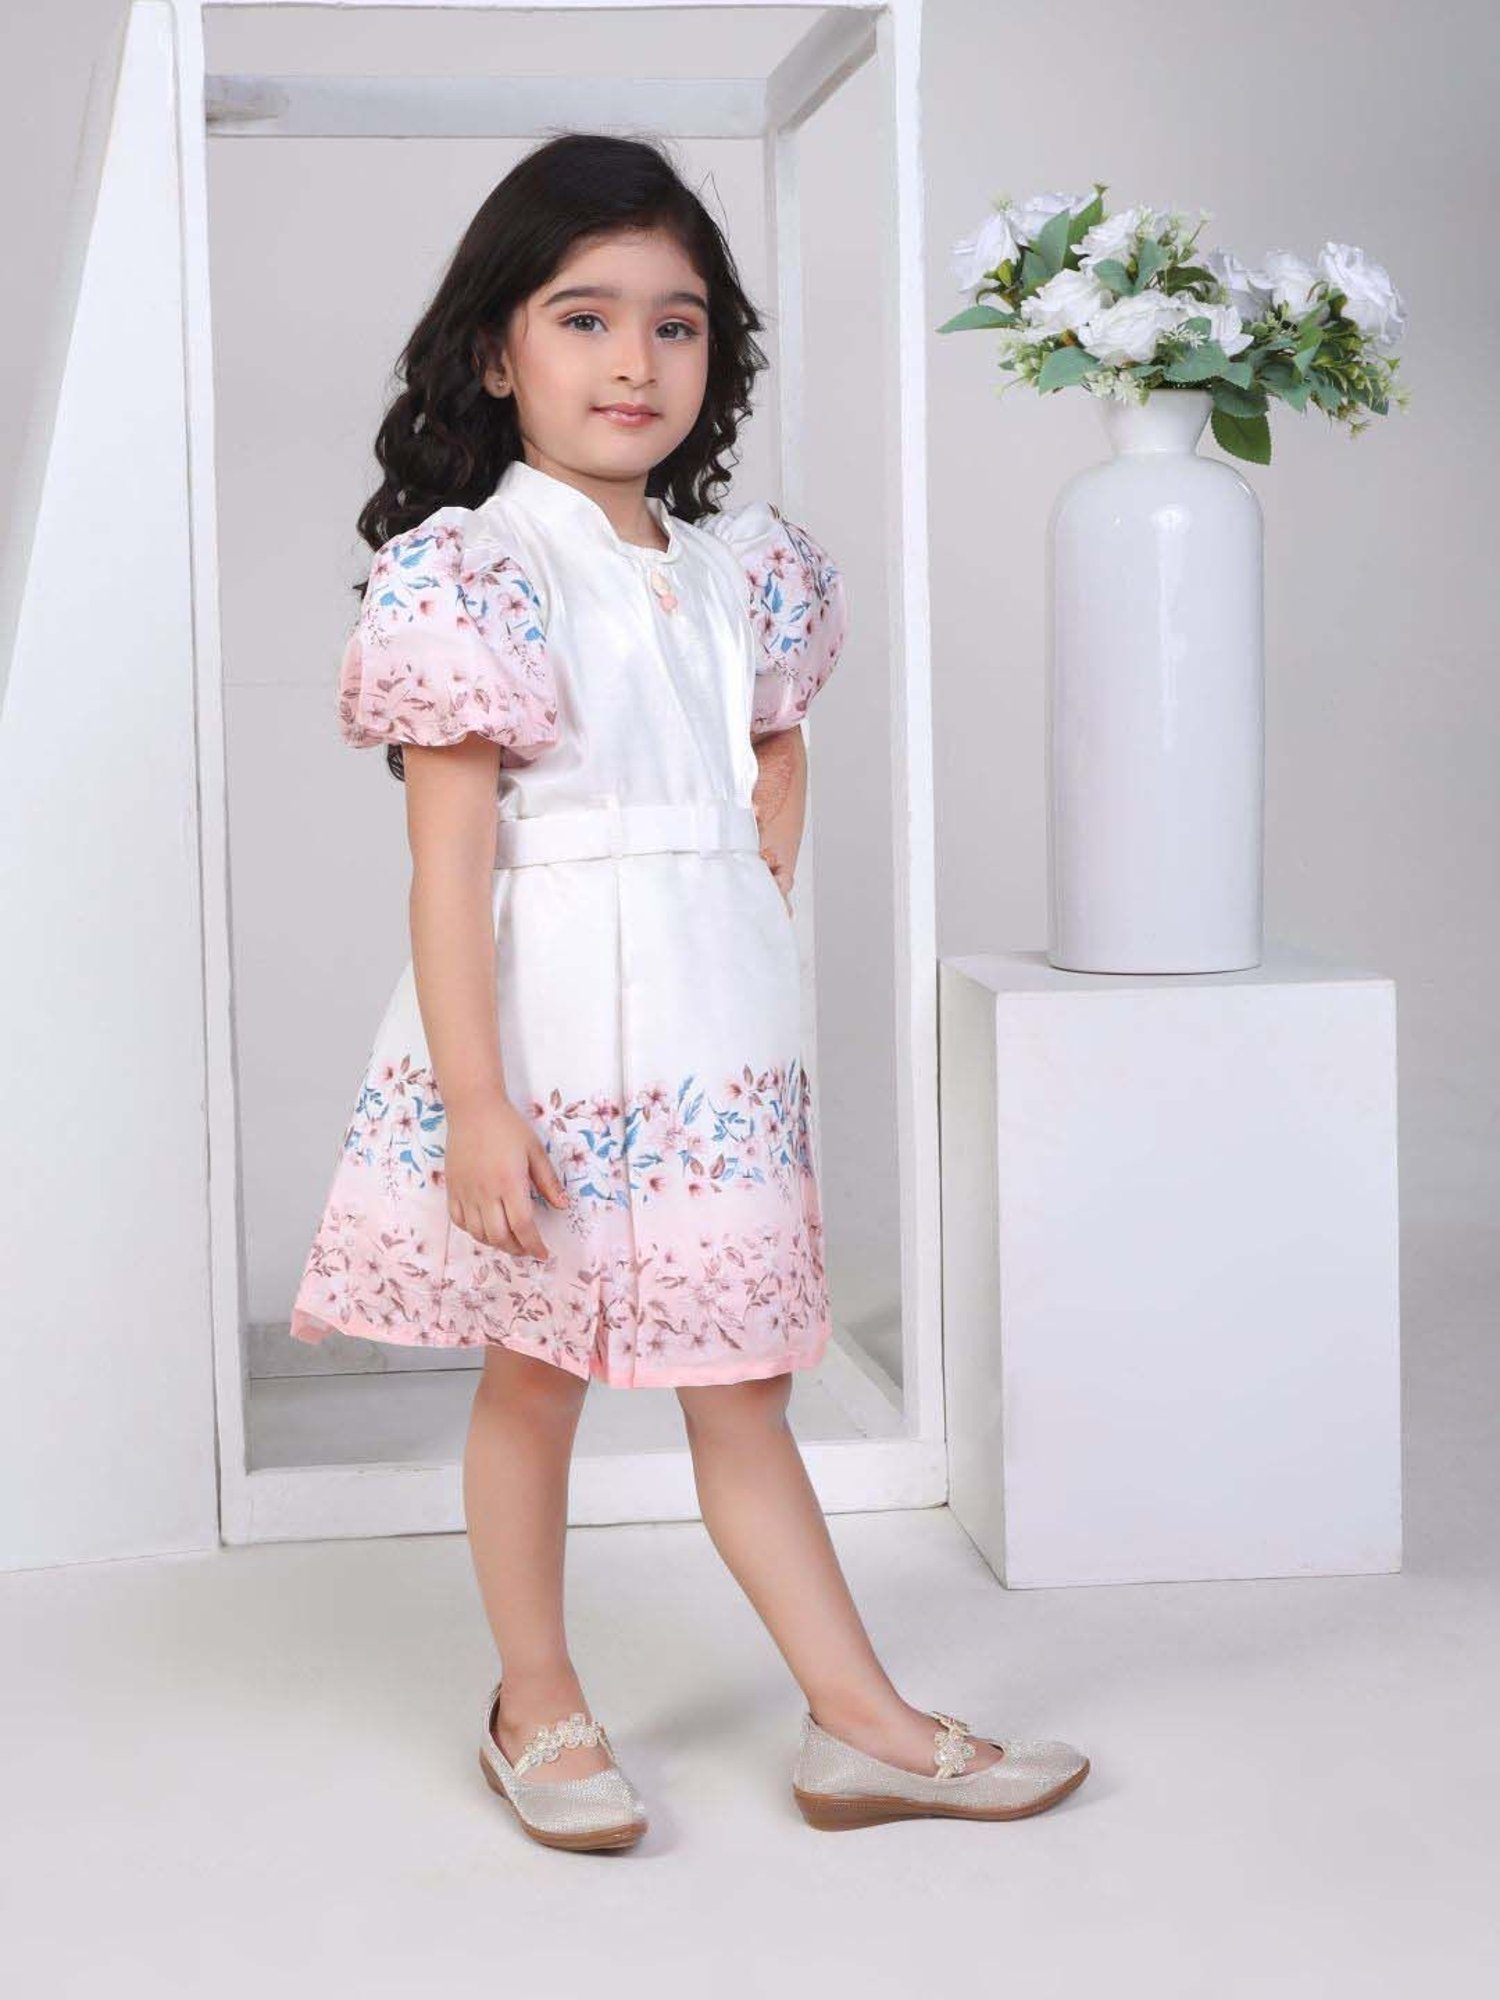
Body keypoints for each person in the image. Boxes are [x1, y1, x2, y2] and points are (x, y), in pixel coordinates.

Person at [290, 131, 1089, 1850]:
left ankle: (858, 1725)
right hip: (549, 1040)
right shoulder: (475, 568)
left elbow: (750, 743)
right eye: (584, 319)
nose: (634, 361)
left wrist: (779, 749)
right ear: (497, 351)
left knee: (745, 1390)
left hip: (714, 1033)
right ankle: (536, 1701)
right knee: (535, 1376)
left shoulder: (741, 572)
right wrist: (477, 1099)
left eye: (677, 324)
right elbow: (448, 864)